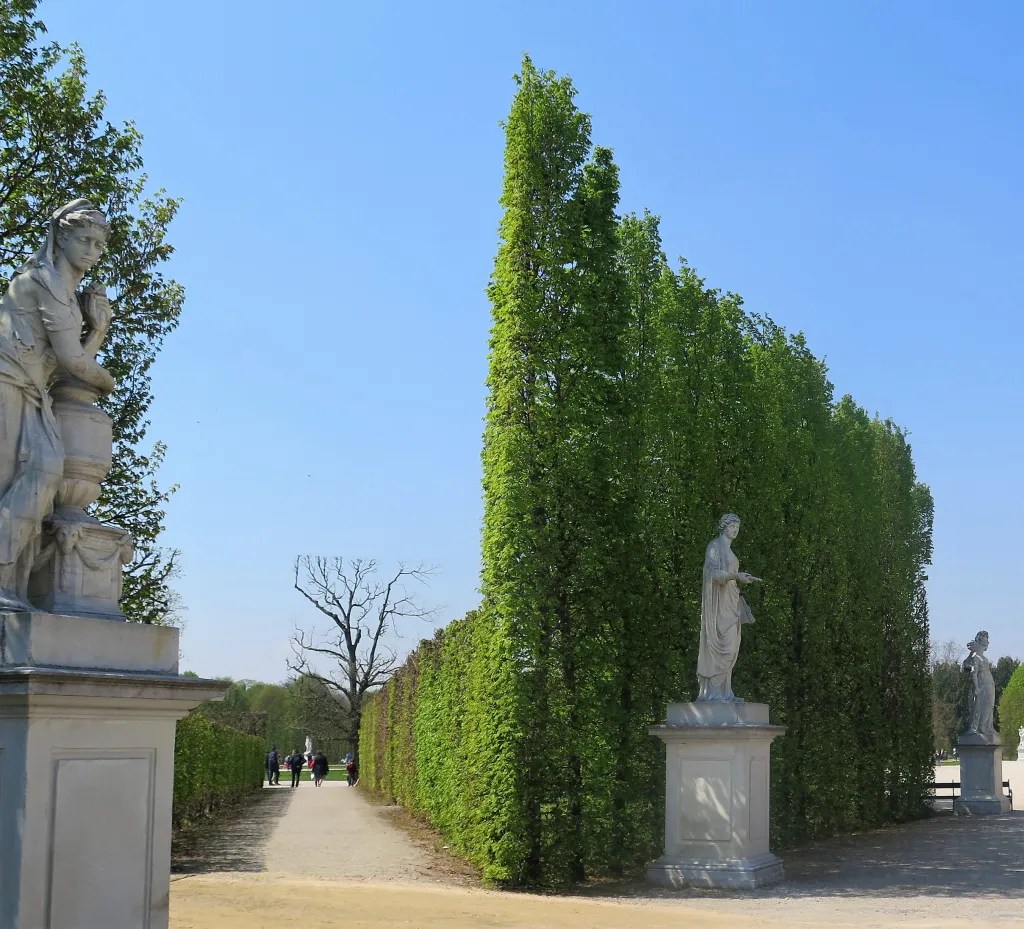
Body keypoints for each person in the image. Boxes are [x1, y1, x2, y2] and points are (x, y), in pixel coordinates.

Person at [0, 199, 116, 608]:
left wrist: (97, 330)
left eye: (98, 245)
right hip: (8, 388)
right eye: (84, 240)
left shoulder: (64, 292)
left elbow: (65, 365)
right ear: (61, 238)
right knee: (26, 479)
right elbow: (74, 363)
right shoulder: (41, 282)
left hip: (30, 391)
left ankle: (8, 584)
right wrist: (108, 381)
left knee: (41, 476)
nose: (91, 251)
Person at [696, 513, 761, 701]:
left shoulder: (730, 551)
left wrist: (741, 578)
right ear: (724, 527)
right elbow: (712, 574)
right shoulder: (714, 547)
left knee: (732, 646)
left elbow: (730, 577)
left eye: (737, 527)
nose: (735, 530)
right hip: (718, 606)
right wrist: (735, 576)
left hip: (731, 603)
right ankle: (713, 693)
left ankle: (726, 692)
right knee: (719, 646)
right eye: (732, 526)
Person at [963, 631, 996, 741]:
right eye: (985, 641)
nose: (987, 644)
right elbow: (973, 673)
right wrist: (977, 687)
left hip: (989, 684)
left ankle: (987, 726)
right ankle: (980, 726)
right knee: (981, 705)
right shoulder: (976, 657)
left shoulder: (984, 658)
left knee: (990, 705)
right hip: (982, 684)